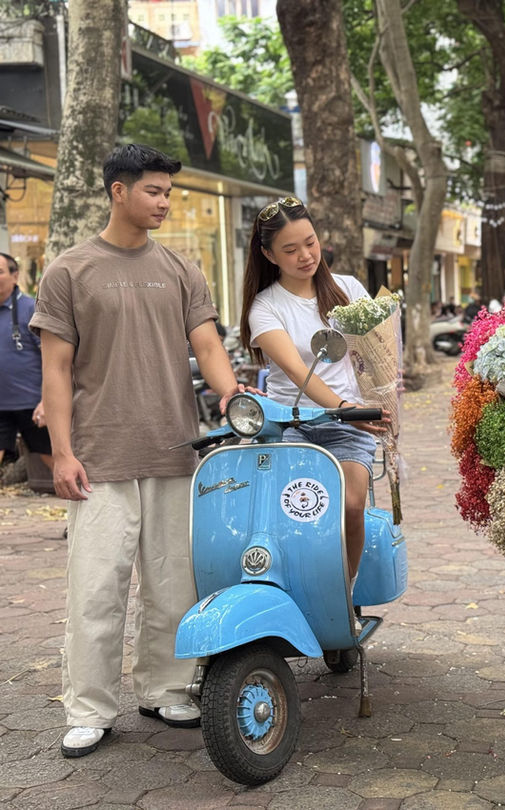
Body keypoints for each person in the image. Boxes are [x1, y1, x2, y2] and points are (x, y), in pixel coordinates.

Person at [30, 144, 249, 758]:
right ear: (118, 191)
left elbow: (207, 347)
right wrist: (63, 454)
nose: (163, 202)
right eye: (154, 191)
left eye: (168, 194)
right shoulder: (69, 271)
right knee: (96, 588)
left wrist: (235, 397)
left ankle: (166, 687)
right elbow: (57, 369)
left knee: (173, 585)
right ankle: (90, 709)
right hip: (99, 457)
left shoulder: (181, 269)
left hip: (177, 451)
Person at [240, 196, 388, 582]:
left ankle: (343, 596)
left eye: (310, 242)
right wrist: (343, 406)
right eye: (290, 249)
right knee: (290, 512)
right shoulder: (265, 307)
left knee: (351, 506)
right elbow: (292, 370)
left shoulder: (348, 290)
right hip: (290, 427)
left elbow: (377, 351)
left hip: (348, 426)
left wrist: (378, 397)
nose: (305, 255)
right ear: (269, 255)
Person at [0, 252, 52, 474]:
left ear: (15, 276)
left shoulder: (32, 309)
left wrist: (47, 400)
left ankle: (82, 503)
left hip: (32, 404)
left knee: (55, 460)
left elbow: (52, 360)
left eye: (0, 271)